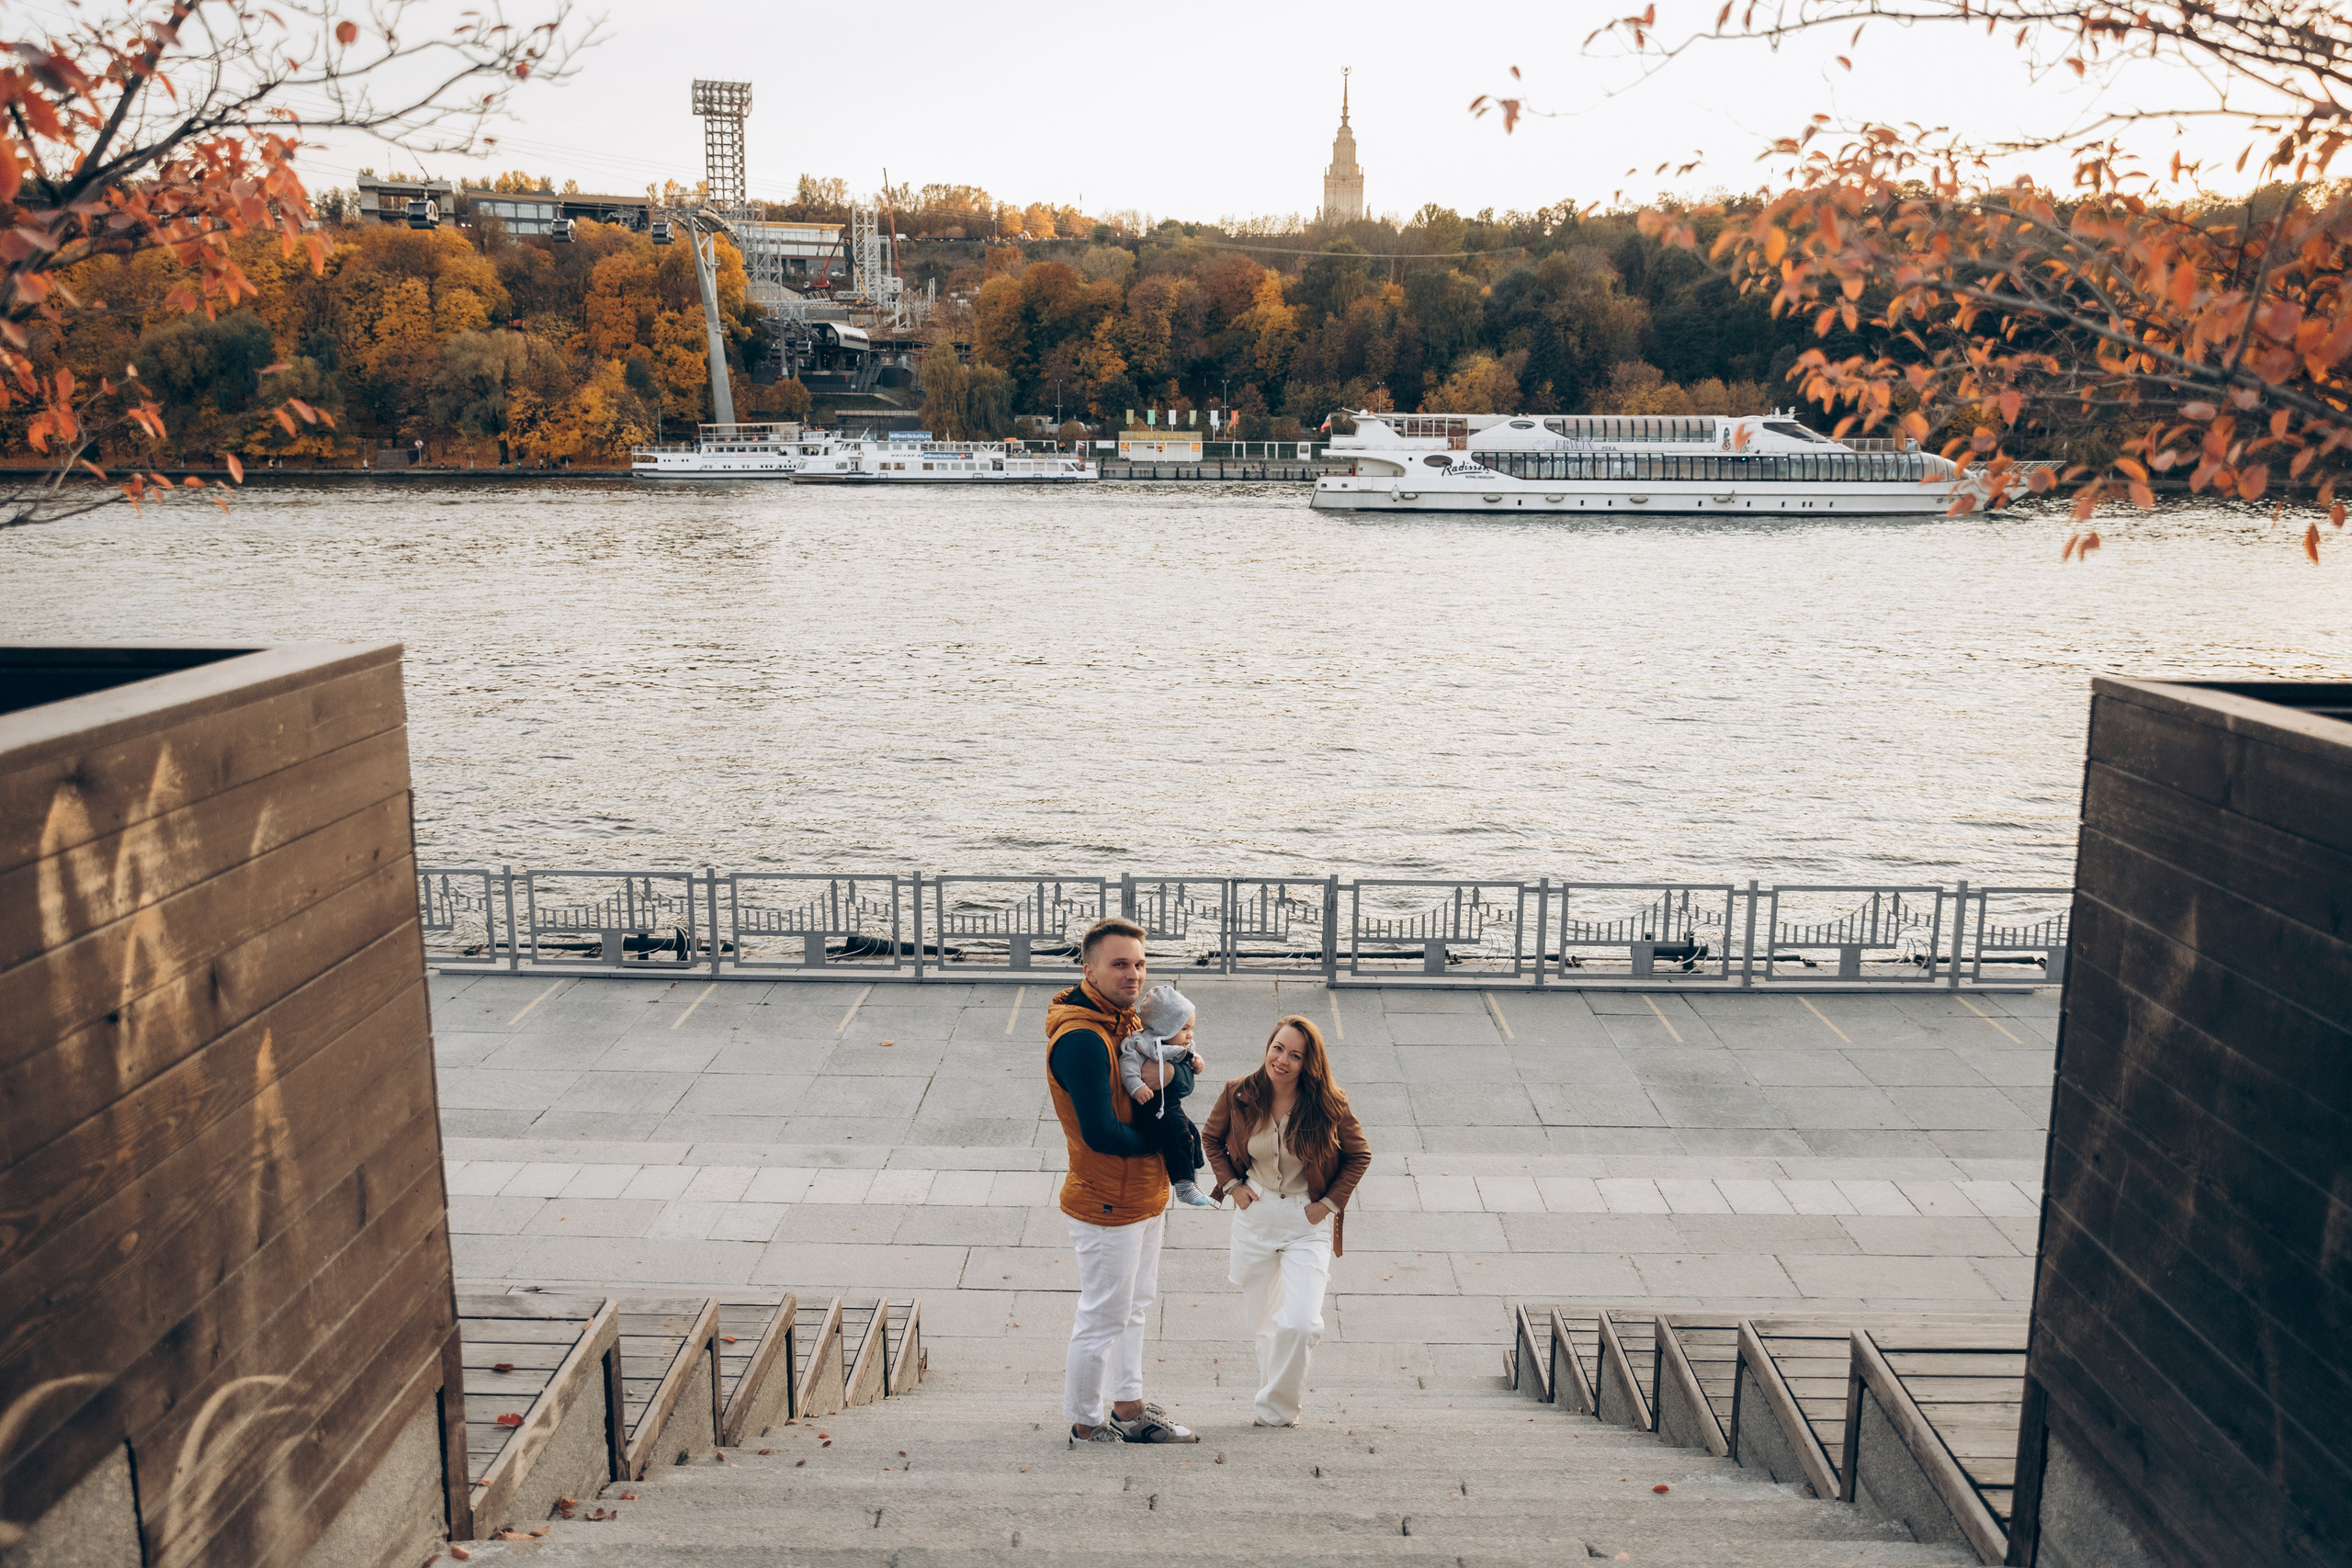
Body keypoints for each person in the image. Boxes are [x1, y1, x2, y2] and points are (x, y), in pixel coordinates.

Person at [1047, 917, 1198, 1446]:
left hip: (1144, 1193)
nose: (1133, 974)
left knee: (1134, 1307)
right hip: (1106, 1199)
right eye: (1119, 964)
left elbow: (1180, 1077)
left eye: (1139, 964)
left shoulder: (1125, 1020)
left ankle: (1129, 1410)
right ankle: (1087, 1425)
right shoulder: (1084, 1039)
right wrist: (1168, 1144)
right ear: (1089, 969)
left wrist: (1169, 1086)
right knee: (1102, 1315)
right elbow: (1102, 1135)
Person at [1202, 1016, 1372, 1428]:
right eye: (1278, 1048)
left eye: (1296, 1055)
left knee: (1300, 1323)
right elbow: (1210, 1137)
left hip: (1304, 1220)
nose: (1282, 1060)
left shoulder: (1330, 1102)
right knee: (1265, 1327)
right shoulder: (1238, 1093)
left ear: (1308, 1063)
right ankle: (1273, 1411)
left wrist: (1328, 1203)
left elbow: (1359, 1154)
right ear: (1268, 1046)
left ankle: (1277, 1408)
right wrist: (1232, 1186)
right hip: (1255, 1217)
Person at [1120, 983, 1213, 1207]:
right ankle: (1183, 1185)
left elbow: (1189, 1055)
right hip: (1151, 1106)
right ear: (1165, 1027)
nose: (1189, 1035)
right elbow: (1128, 1067)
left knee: (1192, 1133)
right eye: (1184, 1029)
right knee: (1180, 1135)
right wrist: (1136, 1087)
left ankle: (1193, 1177)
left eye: (1191, 1028)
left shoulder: (1178, 1043)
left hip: (1169, 1103)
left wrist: (1197, 1063)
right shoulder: (1142, 1044)